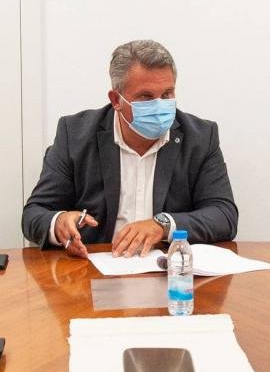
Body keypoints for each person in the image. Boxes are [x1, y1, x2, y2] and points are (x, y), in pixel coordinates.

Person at [22, 39, 238, 258]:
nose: (159, 105)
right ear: (116, 99)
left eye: (167, 94)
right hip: (95, 267)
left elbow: (224, 215)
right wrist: (59, 222)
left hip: (169, 268)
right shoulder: (75, 135)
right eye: (146, 97)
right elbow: (34, 214)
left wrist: (163, 225)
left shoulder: (200, 137)